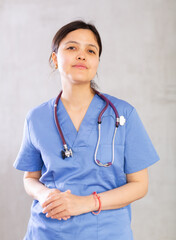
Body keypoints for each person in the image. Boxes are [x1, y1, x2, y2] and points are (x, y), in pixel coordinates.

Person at [13, 20, 159, 240]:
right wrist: (45, 194)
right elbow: (30, 178)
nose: (81, 55)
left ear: (97, 62)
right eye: (72, 47)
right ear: (55, 58)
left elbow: (139, 185)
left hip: (106, 232)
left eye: (90, 50)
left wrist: (85, 203)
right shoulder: (36, 118)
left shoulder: (123, 114)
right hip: (47, 231)